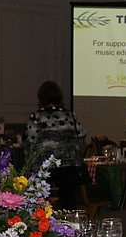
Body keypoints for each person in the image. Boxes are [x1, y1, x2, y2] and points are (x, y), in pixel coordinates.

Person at [26, 81, 86, 210]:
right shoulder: (70, 114)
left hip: (46, 163)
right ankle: (70, 226)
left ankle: (44, 225)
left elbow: (31, 140)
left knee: (42, 200)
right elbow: (81, 135)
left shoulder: (36, 116)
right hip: (69, 163)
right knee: (69, 199)